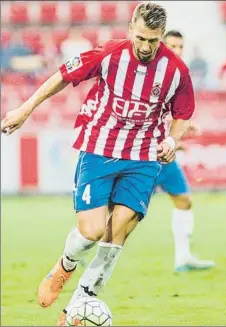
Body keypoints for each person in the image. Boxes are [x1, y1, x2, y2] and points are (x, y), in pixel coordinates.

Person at [1, 3, 195, 325]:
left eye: (154, 41)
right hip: (98, 149)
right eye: (142, 38)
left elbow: (183, 113)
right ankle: (65, 264)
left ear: (162, 37)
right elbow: (61, 76)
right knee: (91, 231)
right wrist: (25, 109)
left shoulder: (176, 71)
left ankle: (77, 306)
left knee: (118, 230)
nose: (146, 47)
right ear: (131, 27)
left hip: (143, 158)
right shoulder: (109, 54)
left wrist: (172, 141)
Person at [157, 29, 215, 272]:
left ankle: (183, 258)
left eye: (180, 46)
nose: (177, 51)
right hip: (145, 154)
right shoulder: (152, 75)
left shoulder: (178, 77)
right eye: (171, 46)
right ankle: (83, 246)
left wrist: (182, 129)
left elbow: (170, 114)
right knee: (120, 212)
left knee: (183, 200)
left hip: (164, 155)